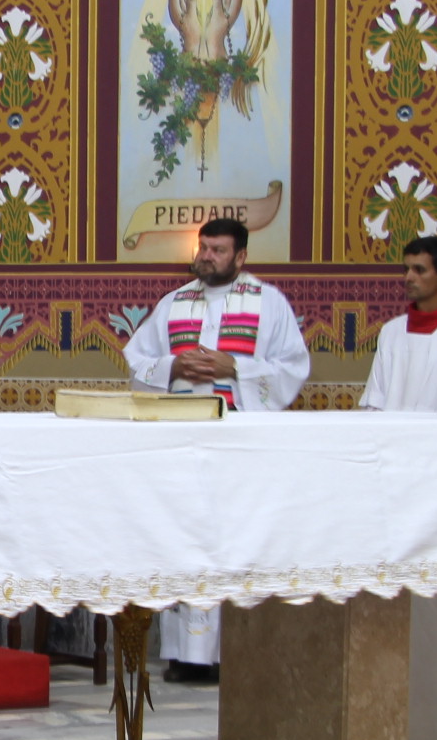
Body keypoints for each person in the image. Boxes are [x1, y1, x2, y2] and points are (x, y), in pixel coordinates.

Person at [121, 217, 310, 681]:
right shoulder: (174, 302)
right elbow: (136, 359)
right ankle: (185, 655)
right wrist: (173, 364)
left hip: (239, 447)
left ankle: (228, 654)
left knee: (230, 542)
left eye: (218, 250)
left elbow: (293, 368)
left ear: (241, 256)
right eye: (203, 248)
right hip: (181, 443)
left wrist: (235, 367)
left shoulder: (269, 304)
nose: (206, 256)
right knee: (182, 540)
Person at [359, 234, 437, 414]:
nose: (408, 278)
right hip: (389, 438)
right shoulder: (391, 332)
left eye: (419, 270)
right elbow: (375, 401)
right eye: (406, 269)